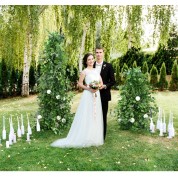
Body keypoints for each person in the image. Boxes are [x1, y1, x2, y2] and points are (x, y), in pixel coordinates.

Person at [51, 53, 104, 148]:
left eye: (92, 59)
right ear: (86, 61)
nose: (91, 61)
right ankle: (84, 136)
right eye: (89, 59)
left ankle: (93, 137)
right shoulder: (84, 72)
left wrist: (97, 87)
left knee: (94, 115)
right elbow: (79, 84)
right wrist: (89, 88)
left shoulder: (97, 70)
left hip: (96, 95)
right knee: (87, 115)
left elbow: (101, 82)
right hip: (88, 95)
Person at [94, 46, 115, 140]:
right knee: (93, 116)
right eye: (97, 52)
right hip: (92, 95)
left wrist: (105, 86)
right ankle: (93, 134)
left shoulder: (109, 66)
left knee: (103, 116)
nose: (98, 54)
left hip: (104, 95)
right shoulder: (91, 65)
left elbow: (113, 81)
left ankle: (102, 136)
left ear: (103, 53)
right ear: (95, 54)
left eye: (100, 52)